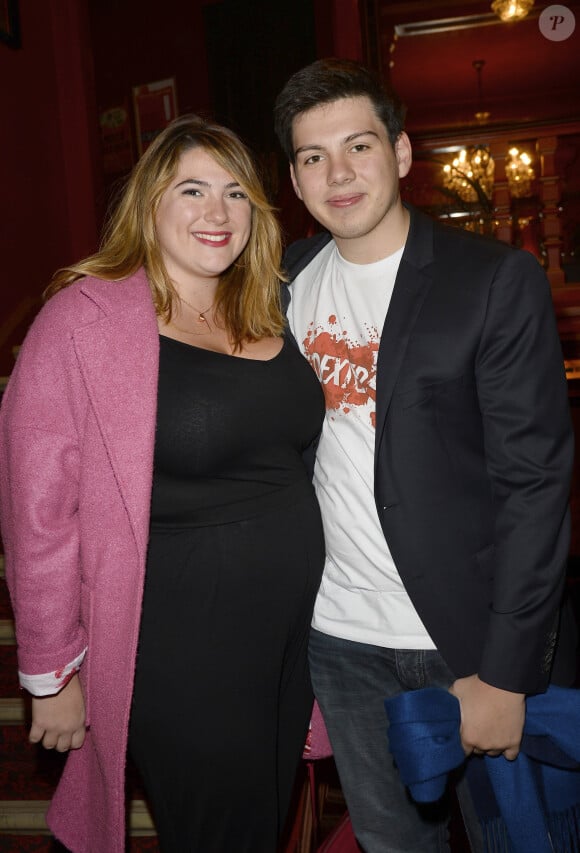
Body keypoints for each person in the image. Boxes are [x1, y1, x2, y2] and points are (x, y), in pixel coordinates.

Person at [273, 58, 578, 852]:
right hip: (340, 638)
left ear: (403, 154)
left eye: (358, 147)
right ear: (295, 178)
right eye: (313, 157)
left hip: (464, 640)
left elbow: (536, 486)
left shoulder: (492, 280)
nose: (337, 174)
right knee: (392, 843)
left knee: (518, 837)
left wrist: (505, 669)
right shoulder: (284, 279)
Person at [0, 114, 327, 853]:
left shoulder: (270, 305)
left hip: (287, 640)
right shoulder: (81, 319)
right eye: (193, 190)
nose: (218, 212)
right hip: (179, 644)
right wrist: (53, 673)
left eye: (237, 192)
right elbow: (37, 513)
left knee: (262, 821)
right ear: (149, 204)